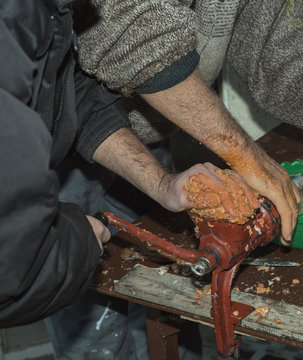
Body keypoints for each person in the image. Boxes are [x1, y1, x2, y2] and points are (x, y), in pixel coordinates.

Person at [43, 0, 303, 358]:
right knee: (91, 316)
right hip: (57, 151)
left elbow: (272, 13)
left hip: (138, 135)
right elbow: (128, 31)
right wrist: (245, 155)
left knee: (170, 302)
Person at [0, 0, 253, 334]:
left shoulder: (47, 13)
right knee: (96, 331)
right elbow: (13, 266)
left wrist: (164, 185)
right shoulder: (11, 21)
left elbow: (78, 102)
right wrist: (75, 243)